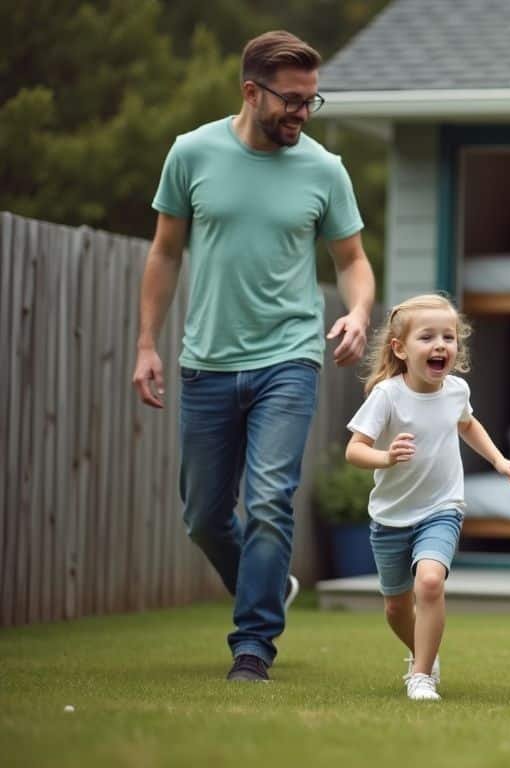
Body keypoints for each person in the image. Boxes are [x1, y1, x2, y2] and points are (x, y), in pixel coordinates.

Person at [131, 30, 375, 682]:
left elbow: (351, 261)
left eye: (311, 102)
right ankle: (266, 587)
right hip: (206, 360)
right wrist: (146, 343)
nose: (302, 113)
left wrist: (356, 311)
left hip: (289, 357)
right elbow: (164, 252)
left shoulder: (325, 169)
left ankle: (253, 646)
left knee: (270, 499)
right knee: (205, 515)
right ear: (251, 91)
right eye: (292, 101)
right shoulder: (192, 154)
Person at [345, 294, 510, 701]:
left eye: (449, 336)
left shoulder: (456, 390)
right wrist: (386, 457)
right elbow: (354, 449)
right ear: (400, 348)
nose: (441, 345)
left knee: (429, 582)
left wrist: (499, 462)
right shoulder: (387, 396)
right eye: (427, 337)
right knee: (396, 608)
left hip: (442, 509)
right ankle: (420, 651)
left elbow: (467, 425)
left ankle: (421, 675)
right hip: (391, 516)